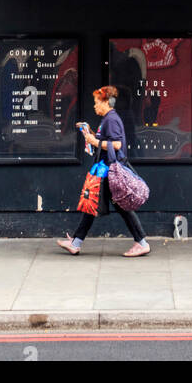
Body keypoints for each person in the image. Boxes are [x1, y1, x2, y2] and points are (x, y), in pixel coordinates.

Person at [57, 85, 150, 257]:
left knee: (94, 203)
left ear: (106, 102)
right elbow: (104, 140)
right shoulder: (108, 118)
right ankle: (141, 242)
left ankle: (77, 243)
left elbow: (117, 144)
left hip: (110, 170)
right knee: (101, 205)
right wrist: (89, 132)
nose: (94, 106)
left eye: (96, 102)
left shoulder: (111, 119)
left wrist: (94, 141)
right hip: (107, 169)